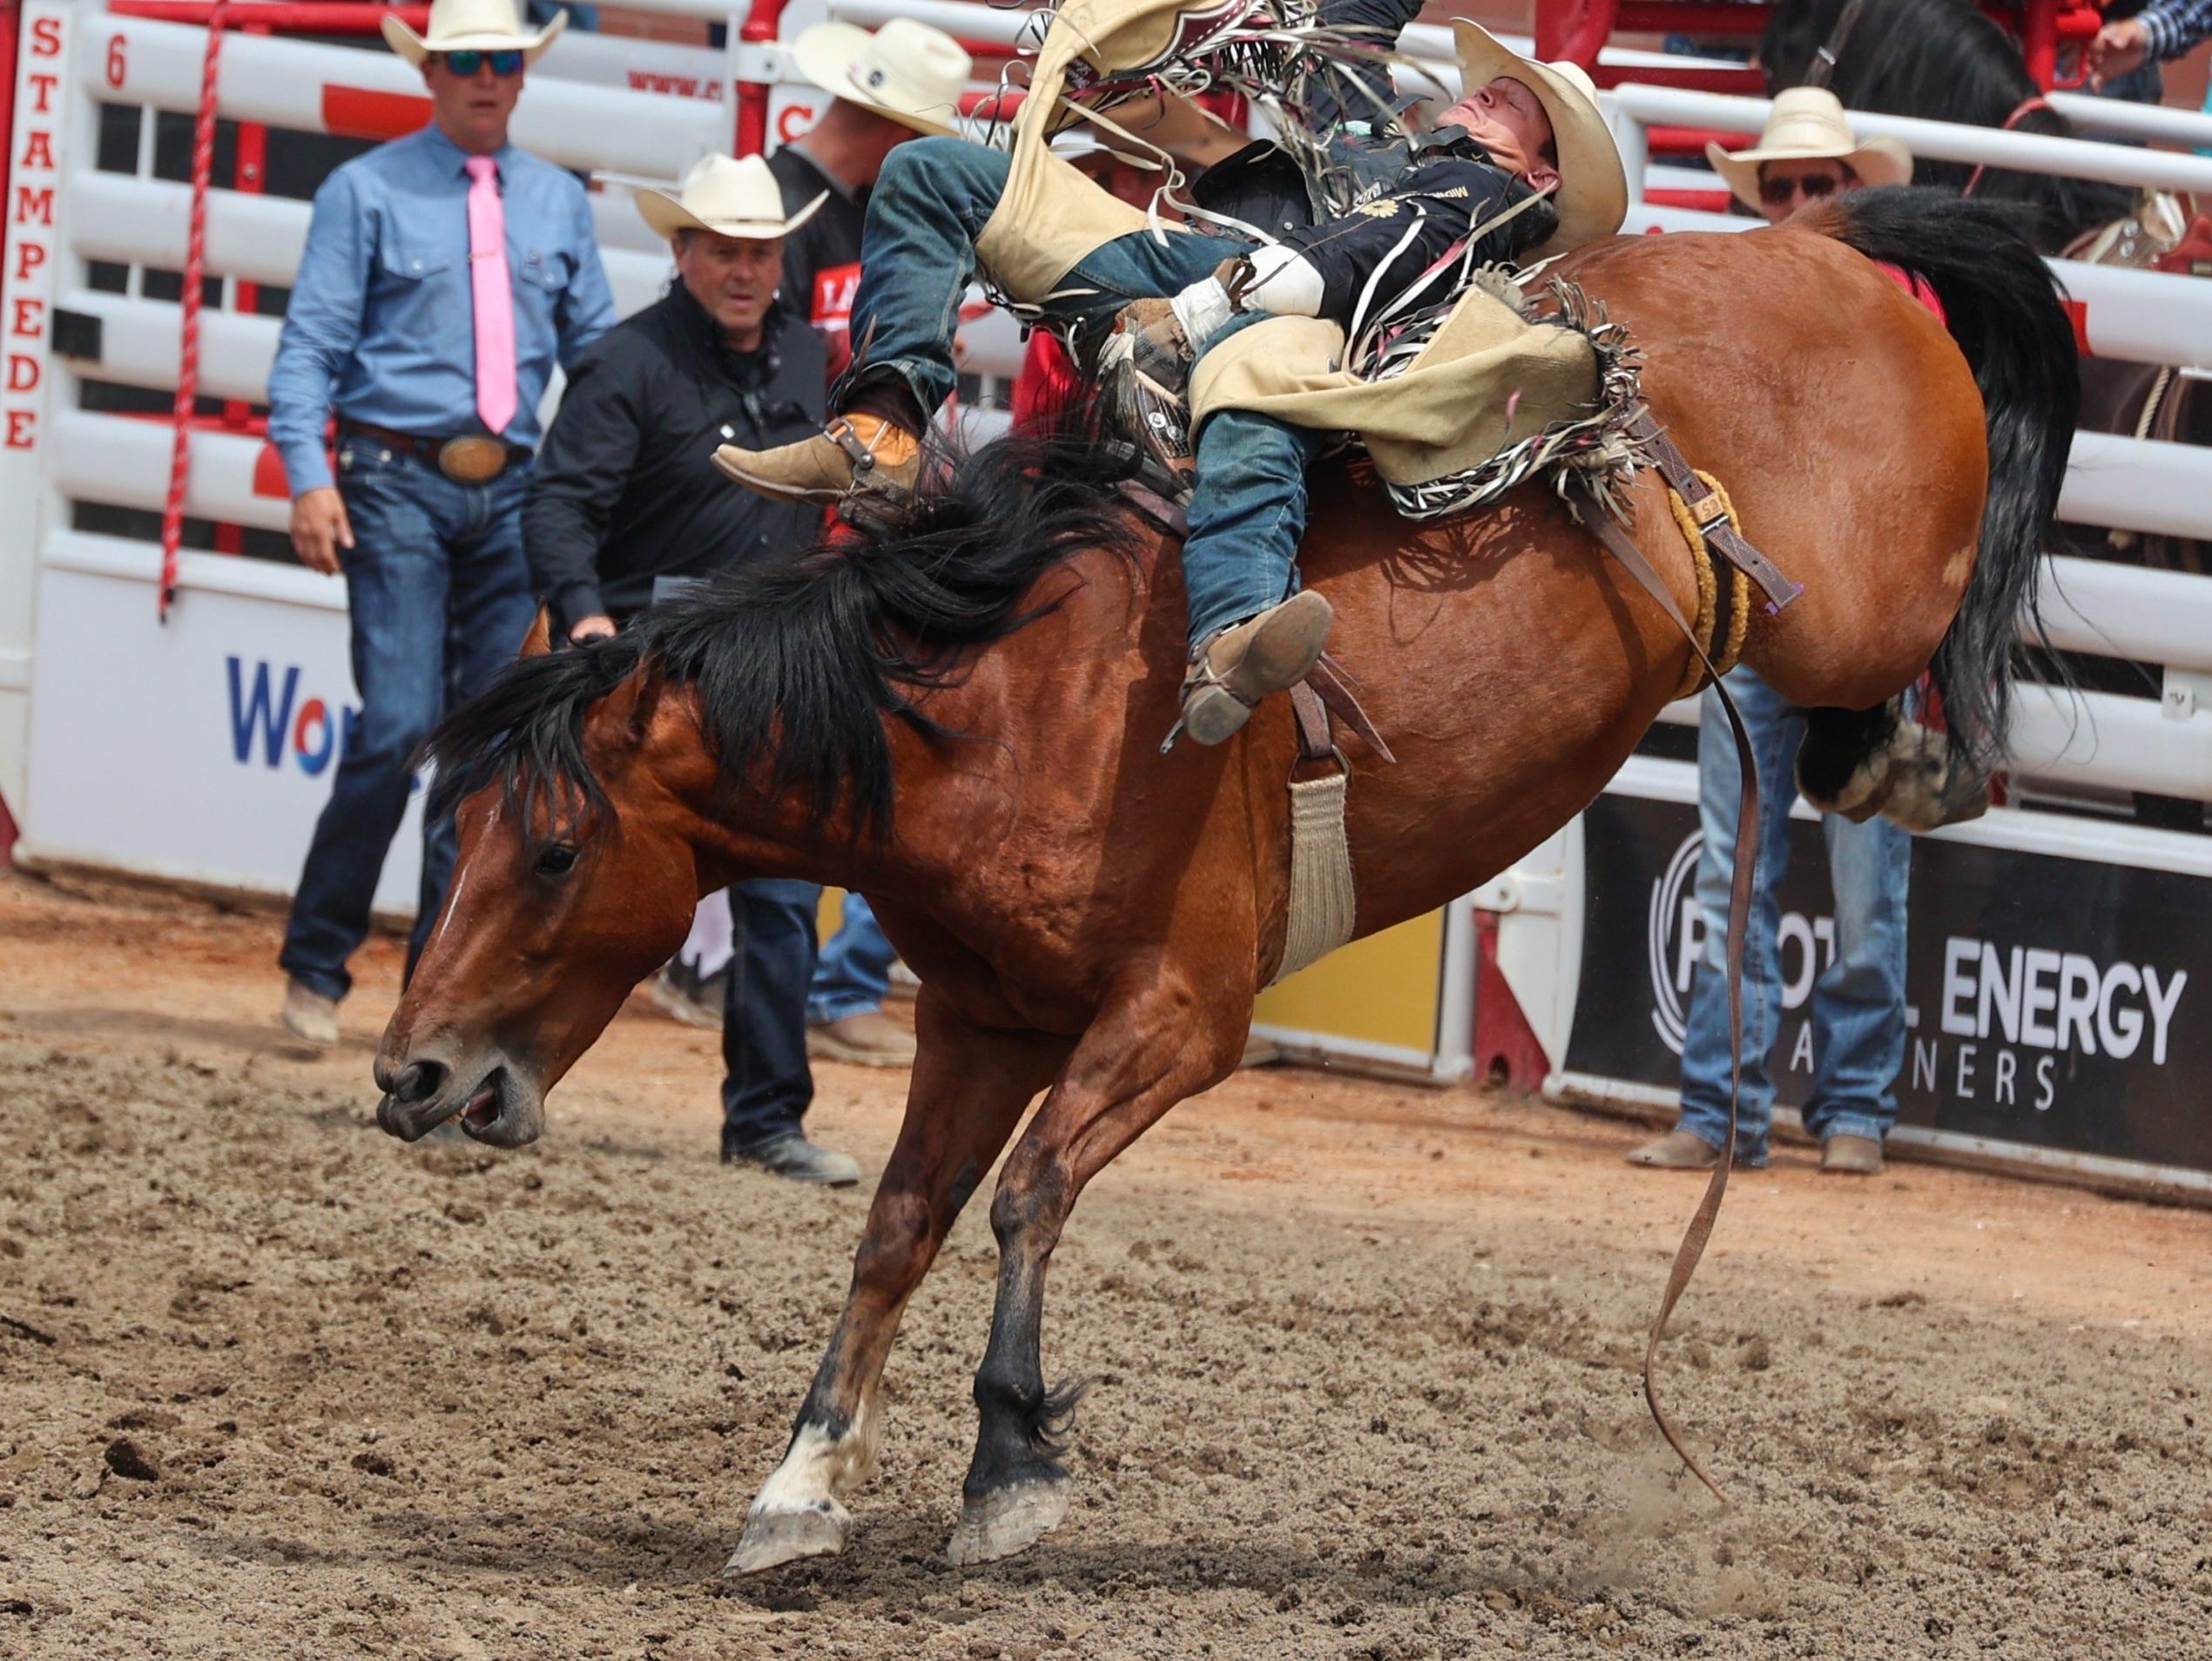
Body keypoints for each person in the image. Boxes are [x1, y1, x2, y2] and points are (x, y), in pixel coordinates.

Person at [715, 10, 1627, 747]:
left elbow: (1362, 258)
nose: (1497, 87)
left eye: (1520, 102)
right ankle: (883, 430)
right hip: (1214, 268)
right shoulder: (1384, 147)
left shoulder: (1484, 200)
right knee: (930, 171)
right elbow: (1350, 22)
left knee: (1250, 378)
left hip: (1316, 329)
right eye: (1499, 82)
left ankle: (1232, 629)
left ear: (1540, 170)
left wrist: (1196, 310)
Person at [268, 0, 614, 1047]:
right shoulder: (362, 191)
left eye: (500, 60)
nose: (484, 76)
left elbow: (597, 360)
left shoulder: (556, 201)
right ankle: (317, 958)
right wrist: (305, 475)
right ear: (432, 72)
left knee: (478, 754)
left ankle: (427, 990)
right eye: (465, 60)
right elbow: (310, 347)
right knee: (395, 725)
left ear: (520, 73)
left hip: (511, 485)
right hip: (393, 478)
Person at [523, 152, 864, 1185]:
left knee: (781, 897)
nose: (744, 269)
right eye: (723, 250)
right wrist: (584, 621)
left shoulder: (810, 357)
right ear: (682, 253)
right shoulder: (625, 362)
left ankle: (765, 1118)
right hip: (644, 668)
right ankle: (480, 1067)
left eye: (759, 251)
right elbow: (557, 505)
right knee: (551, 870)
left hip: (770, 670)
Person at [1631, 93, 1915, 1178]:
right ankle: (1737, 1110)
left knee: (1857, 886)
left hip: (1841, 636)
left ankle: (1814, 1108)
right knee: (1744, 877)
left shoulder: (1893, 317)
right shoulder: (1754, 322)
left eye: (1817, 184)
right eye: (1783, 187)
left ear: (1849, 191)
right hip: (1758, 626)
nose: (1798, 203)